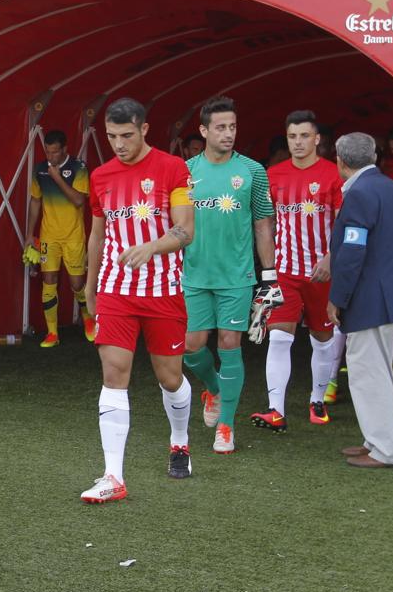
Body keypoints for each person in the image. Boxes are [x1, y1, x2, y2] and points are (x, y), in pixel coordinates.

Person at [81, 98, 195, 504]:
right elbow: (97, 235)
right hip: (116, 290)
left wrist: (153, 247)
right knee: (114, 373)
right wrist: (91, 286)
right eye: (112, 137)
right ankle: (113, 475)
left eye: (126, 135)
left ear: (145, 129)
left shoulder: (172, 168)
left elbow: (185, 231)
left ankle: (179, 440)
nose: (119, 144)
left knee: (170, 378)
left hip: (163, 291)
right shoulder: (101, 176)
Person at [180, 97, 277, 456]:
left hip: (237, 276)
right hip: (194, 274)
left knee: (229, 344)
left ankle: (226, 426)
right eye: (220, 127)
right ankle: (215, 390)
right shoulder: (186, 170)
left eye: (232, 127)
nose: (228, 134)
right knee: (191, 346)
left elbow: (263, 224)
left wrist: (269, 278)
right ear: (204, 131)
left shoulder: (252, 171)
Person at [250, 110, 344, 433]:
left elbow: (346, 223)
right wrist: (268, 269)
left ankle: (317, 399)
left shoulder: (333, 175)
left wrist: (332, 257)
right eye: (293, 137)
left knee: (322, 338)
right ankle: (275, 409)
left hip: (323, 273)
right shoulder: (272, 175)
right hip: (285, 272)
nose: (298, 142)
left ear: (317, 139)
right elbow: (264, 223)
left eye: (305, 136)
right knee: (278, 338)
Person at [328, 132, 393, 469]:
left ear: (341, 161)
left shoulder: (360, 194)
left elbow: (352, 253)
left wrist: (337, 298)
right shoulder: (390, 187)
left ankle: (386, 450)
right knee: (376, 372)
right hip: (388, 293)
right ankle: (375, 441)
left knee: (368, 373)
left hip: (368, 298)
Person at [26, 130, 95, 347]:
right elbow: (35, 201)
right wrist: (30, 234)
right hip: (49, 236)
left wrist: (56, 177)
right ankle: (52, 332)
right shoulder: (39, 169)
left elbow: (78, 201)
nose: (50, 156)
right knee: (49, 281)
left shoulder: (79, 168)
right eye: (47, 151)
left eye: (55, 152)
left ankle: (87, 318)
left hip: (73, 236)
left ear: (65, 150)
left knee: (77, 283)